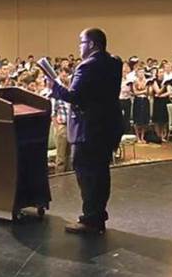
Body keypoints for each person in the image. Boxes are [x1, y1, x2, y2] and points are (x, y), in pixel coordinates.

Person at [47, 28, 123, 235]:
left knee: (87, 175)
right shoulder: (115, 62)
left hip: (88, 129)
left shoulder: (87, 66)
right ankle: (98, 216)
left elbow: (74, 96)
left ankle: (90, 220)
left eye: (81, 42)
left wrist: (54, 87)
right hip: (108, 126)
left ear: (90, 44)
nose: (79, 47)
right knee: (101, 173)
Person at [52, 71, 72, 172]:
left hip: (71, 126)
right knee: (61, 157)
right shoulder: (57, 96)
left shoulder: (72, 94)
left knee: (69, 156)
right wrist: (57, 127)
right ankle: (59, 178)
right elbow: (53, 113)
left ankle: (69, 178)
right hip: (62, 126)